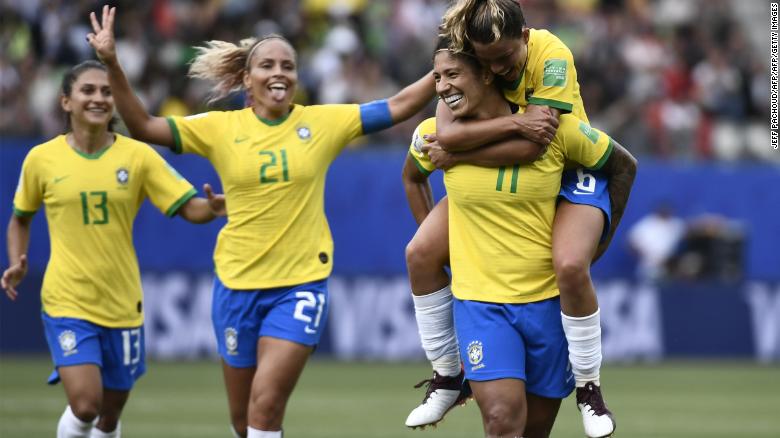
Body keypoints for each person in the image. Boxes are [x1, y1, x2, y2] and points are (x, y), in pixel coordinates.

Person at [86, 6, 436, 438]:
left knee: (265, 404)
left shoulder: (322, 122)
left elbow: (400, 105)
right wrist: (112, 63)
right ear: (246, 80)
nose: (279, 72)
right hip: (236, 286)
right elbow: (141, 125)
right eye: (267, 64)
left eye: (288, 65)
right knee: (242, 420)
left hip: (301, 284)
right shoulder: (218, 128)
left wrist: (445, 69)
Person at [404, 2, 635, 436]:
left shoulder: (551, 54)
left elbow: (535, 144)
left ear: (525, 38)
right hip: (501, 187)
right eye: (486, 62)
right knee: (420, 252)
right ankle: (448, 375)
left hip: (567, 168)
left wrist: (455, 153)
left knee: (569, 264)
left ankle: (589, 387)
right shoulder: (462, 67)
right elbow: (443, 133)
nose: (499, 70)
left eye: (505, 60)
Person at [1, 60, 225, 438]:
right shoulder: (41, 159)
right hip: (67, 300)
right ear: (66, 102)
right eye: (87, 90)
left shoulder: (137, 157)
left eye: (106, 92)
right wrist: (16, 262)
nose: (99, 98)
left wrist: (216, 208)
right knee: (85, 404)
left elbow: (190, 207)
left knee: (108, 415)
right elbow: (20, 218)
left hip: (122, 304)